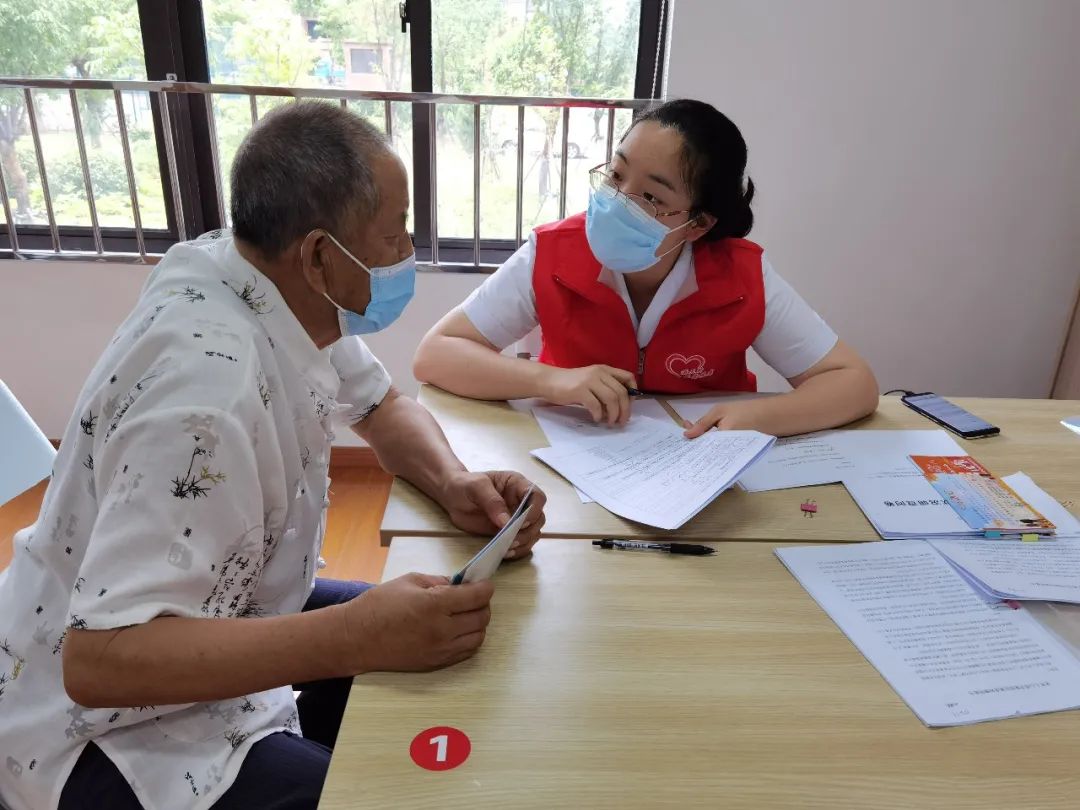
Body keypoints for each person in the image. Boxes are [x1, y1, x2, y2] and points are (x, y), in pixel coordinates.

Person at [0, 102, 545, 810]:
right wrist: (352, 638)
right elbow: (99, 662)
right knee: (374, 770)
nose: (408, 247)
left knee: (452, 632)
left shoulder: (263, 283)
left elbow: (381, 407)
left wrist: (455, 481)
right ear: (320, 254)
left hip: (208, 610)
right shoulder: (204, 399)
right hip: (90, 731)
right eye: (395, 231)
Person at [413, 99, 878, 437]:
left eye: (652, 197)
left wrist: (758, 417)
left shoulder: (740, 276)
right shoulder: (552, 252)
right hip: (572, 457)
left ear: (699, 224)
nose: (618, 201)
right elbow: (437, 354)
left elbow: (854, 384)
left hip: (699, 464)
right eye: (616, 175)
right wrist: (553, 380)